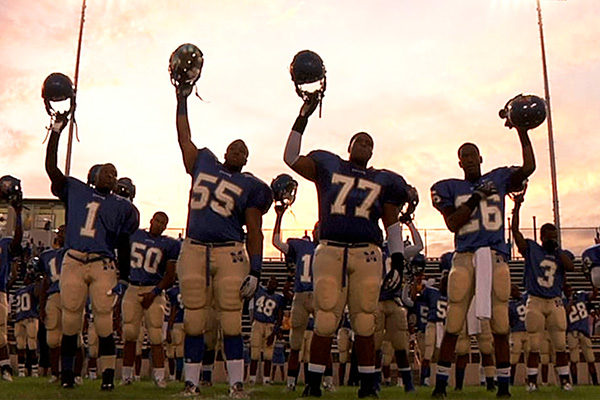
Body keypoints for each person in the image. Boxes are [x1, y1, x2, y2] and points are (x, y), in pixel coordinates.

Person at [284, 92, 414, 398]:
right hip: (330, 248)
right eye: (360, 140)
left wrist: (396, 259)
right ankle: (313, 384)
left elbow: (391, 221)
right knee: (326, 316)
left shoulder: (385, 180)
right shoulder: (328, 164)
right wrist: (303, 116)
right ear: (349, 146)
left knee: (365, 319)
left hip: (367, 252)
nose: (365, 145)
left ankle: (368, 386)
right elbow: (290, 157)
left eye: (370, 142)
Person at [175, 80, 273, 397]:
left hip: (230, 251)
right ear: (227, 150)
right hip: (194, 248)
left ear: (246, 159)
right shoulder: (203, 160)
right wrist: (182, 100)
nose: (239, 150)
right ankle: (191, 384)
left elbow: (255, 229)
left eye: (245, 150)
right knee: (193, 319)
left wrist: (256, 269)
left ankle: (236, 385)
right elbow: (183, 137)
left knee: (231, 320)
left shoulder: (251, 185)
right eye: (236, 146)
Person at [430, 124, 535, 398]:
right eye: (464, 155)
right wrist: (476, 198)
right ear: (459, 161)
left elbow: (528, 168)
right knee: (453, 321)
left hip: (495, 255)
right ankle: (441, 386)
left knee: (500, 323)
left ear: (480, 158)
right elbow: (453, 223)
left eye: (473, 154)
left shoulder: (498, 178)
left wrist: (522, 132)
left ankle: (502, 388)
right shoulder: (449, 187)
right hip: (464, 257)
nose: (469, 158)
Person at [45, 114, 140, 390]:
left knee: (103, 320)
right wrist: (56, 132)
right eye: (107, 171)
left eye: (114, 172)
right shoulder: (76, 188)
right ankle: (67, 376)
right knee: (71, 317)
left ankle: (108, 378)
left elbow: (124, 241)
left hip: (102, 263)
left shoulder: (122, 206)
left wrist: (125, 275)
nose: (111, 175)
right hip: (74, 258)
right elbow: (51, 168)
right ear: (94, 174)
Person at [511, 191, 574, 391]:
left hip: (555, 300)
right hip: (535, 300)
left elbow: (571, 267)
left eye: (554, 237)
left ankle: (564, 380)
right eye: (548, 237)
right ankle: (531, 382)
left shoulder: (561, 254)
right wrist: (517, 208)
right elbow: (515, 232)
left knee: (560, 343)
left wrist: (556, 249)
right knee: (534, 344)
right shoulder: (531, 248)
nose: (551, 240)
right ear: (541, 237)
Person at [120, 211, 179, 388]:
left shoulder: (169, 244)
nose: (159, 225)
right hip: (133, 286)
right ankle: (126, 375)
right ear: (151, 220)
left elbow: (170, 276)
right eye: (157, 221)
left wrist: (153, 293)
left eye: (163, 223)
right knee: (130, 333)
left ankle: (159, 376)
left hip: (154, 289)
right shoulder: (135, 234)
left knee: (155, 335)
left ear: (165, 227)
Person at [272, 205, 321, 391]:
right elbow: (277, 242)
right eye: (317, 228)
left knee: (322, 338)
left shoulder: (329, 247)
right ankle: (291, 384)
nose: (319, 232)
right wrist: (279, 216)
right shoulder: (302, 245)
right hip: (300, 295)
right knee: (295, 343)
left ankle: (324, 382)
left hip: (319, 295)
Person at [38, 225, 67, 383]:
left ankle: (74, 374)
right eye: (59, 232)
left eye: (63, 232)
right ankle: (55, 374)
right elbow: (45, 281)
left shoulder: (75, 253)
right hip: (53, 296)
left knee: (73, 338)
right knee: (52, 339)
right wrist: (42, 306)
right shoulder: (47, 255)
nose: (60, 235)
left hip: (71, 295)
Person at [0, 198, 23, 381]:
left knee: (0, 334)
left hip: (0, 291)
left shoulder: (5, 243)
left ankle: (6, 368)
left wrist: (19, 215)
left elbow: (17, 241)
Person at [248, 276, 285, 385]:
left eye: (274, 283)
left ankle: (266, 379)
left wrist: (274, 332)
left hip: (269, 325)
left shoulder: (278, 298)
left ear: (276, 286)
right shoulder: (259, 290)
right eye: (270, 282)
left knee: (268, 355)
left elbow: (280, 316)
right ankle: (252, 378)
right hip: (258, 322)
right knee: (254, 353)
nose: (271, 284)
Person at [564, 283, 599, 386]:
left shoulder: (581, 295)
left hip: (583, 331)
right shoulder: (563, 301)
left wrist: (594, 284)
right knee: (574, 359)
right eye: (567, 290)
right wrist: (571, 300)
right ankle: (575, 382)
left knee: (590, 358)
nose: (570, 292)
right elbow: (566, 312)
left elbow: (594, 295)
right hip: (572, 331)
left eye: (570, 289)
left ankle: (595, 382)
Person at [12, 265, 42, 377]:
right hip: (20, 318)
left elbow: (37, 294)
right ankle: (21, 370)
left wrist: (38, 281)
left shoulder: (32, 288)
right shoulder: (20, 290)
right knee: (20, 345)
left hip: (30, 317)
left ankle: (34, 370)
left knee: (32, 344)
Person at [508, 284, 529, 385]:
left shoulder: (526, 297)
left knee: (529, 357)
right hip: (516, 332)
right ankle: (511, 380)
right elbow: (510, 321)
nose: (513, 293)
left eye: (513, 290)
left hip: (528, 331)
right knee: (514, 358)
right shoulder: (510, 305)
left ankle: (530, 379)